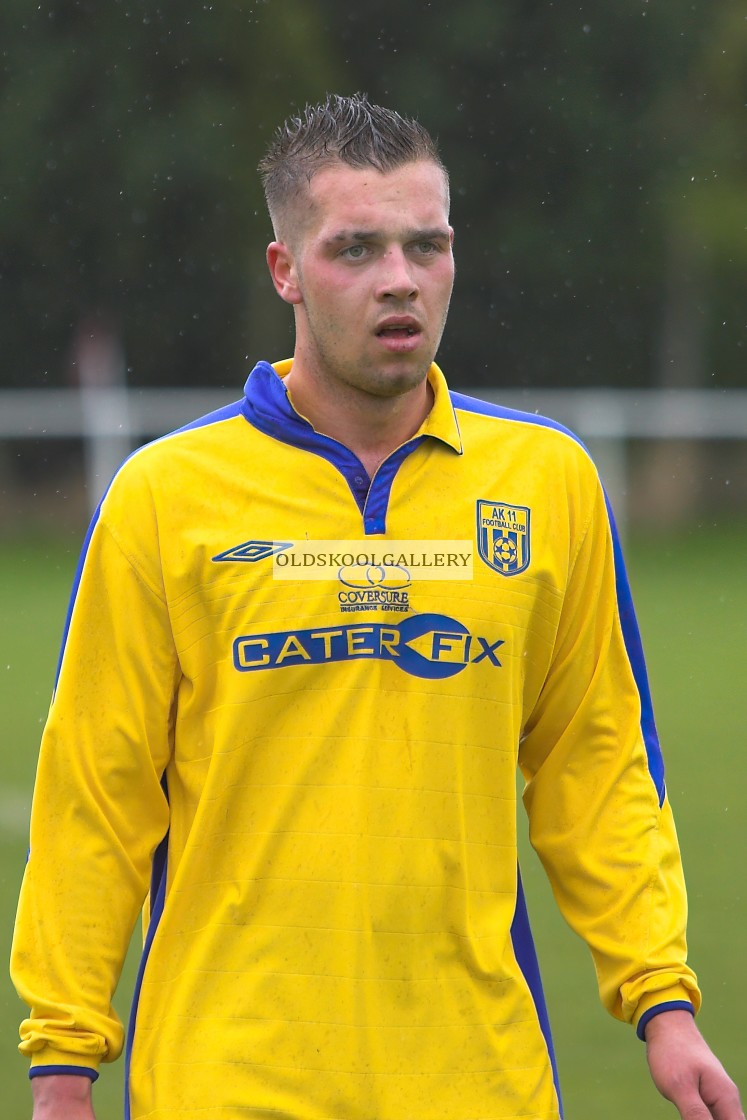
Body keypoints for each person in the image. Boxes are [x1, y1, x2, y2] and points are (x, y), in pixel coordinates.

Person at [11, 93, 743, 1120]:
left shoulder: (549, 483)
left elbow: (599, 765)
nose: (399, 279)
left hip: (475, 1081)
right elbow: (97, 793)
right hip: (225, 1081)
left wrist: (663, 1003)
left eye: (425, 245)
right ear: (287, 272)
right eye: (355, 248)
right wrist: (62, 1069)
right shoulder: (164, 497)